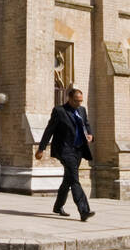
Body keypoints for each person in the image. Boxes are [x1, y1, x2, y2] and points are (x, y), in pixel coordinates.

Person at [36, 86, 96, 221]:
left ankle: (58, 206)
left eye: (80, 101)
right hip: (65, 150)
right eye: (76, 101)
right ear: (69, 98)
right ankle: (84, 211)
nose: (78, 103)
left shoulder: (82, 110)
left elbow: (86, 124)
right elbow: (49, 130)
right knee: (75, 179)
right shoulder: (59, 111)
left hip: (79, 150)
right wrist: (41, 148)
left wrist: (90, 135)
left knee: (68, 179)